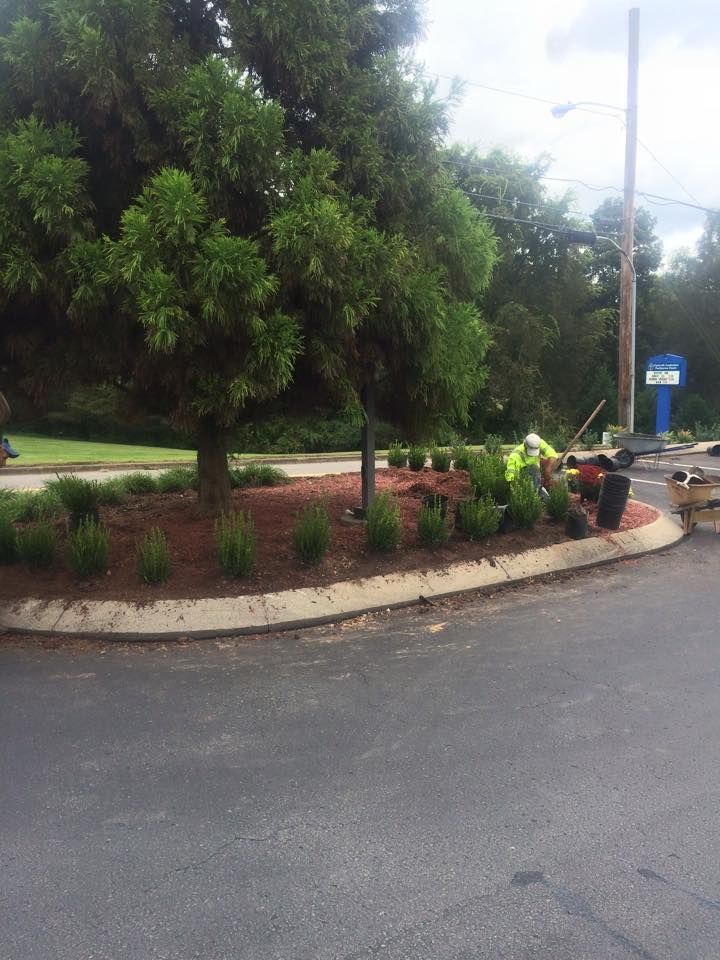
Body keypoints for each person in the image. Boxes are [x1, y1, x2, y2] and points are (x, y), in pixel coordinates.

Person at [505, 433, 558, 501]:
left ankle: (540, 494)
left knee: (547, 500)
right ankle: (535, 497)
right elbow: (511, 478)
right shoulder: (515, 455)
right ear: (525, 445)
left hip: (536, 476)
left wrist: (547, 470)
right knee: (533, 469)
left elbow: (553, 455)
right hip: (523, 479)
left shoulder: (538, 442)